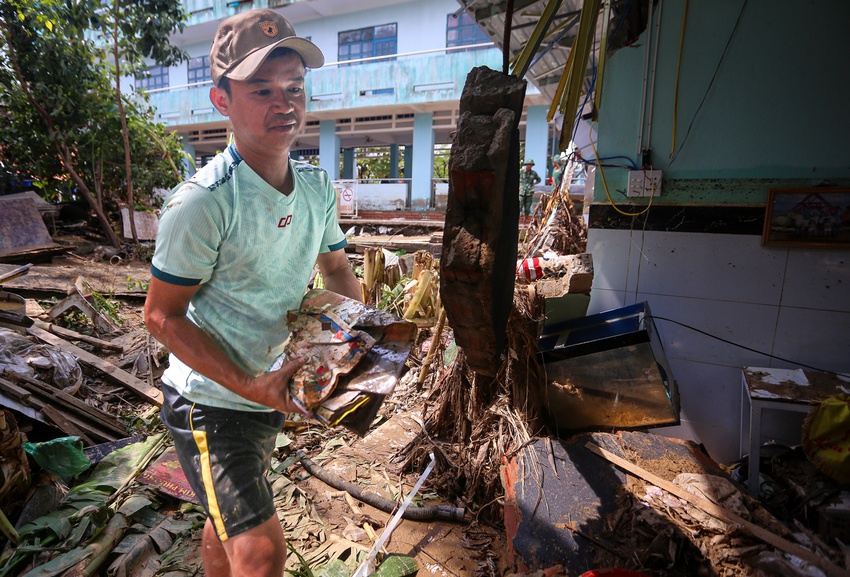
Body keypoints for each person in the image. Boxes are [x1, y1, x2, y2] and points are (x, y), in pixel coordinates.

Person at [144, 10, 362, 577]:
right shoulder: (203, 202)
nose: (283, 103)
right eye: (261, 90)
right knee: (262, 554)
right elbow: (161, 317)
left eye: (294, 87)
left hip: (271, 390)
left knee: (229, 522)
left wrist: (348, 347)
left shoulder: (315, 188)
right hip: (210, 402)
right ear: (222, 102)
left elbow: (337, 271)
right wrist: (250, 385)